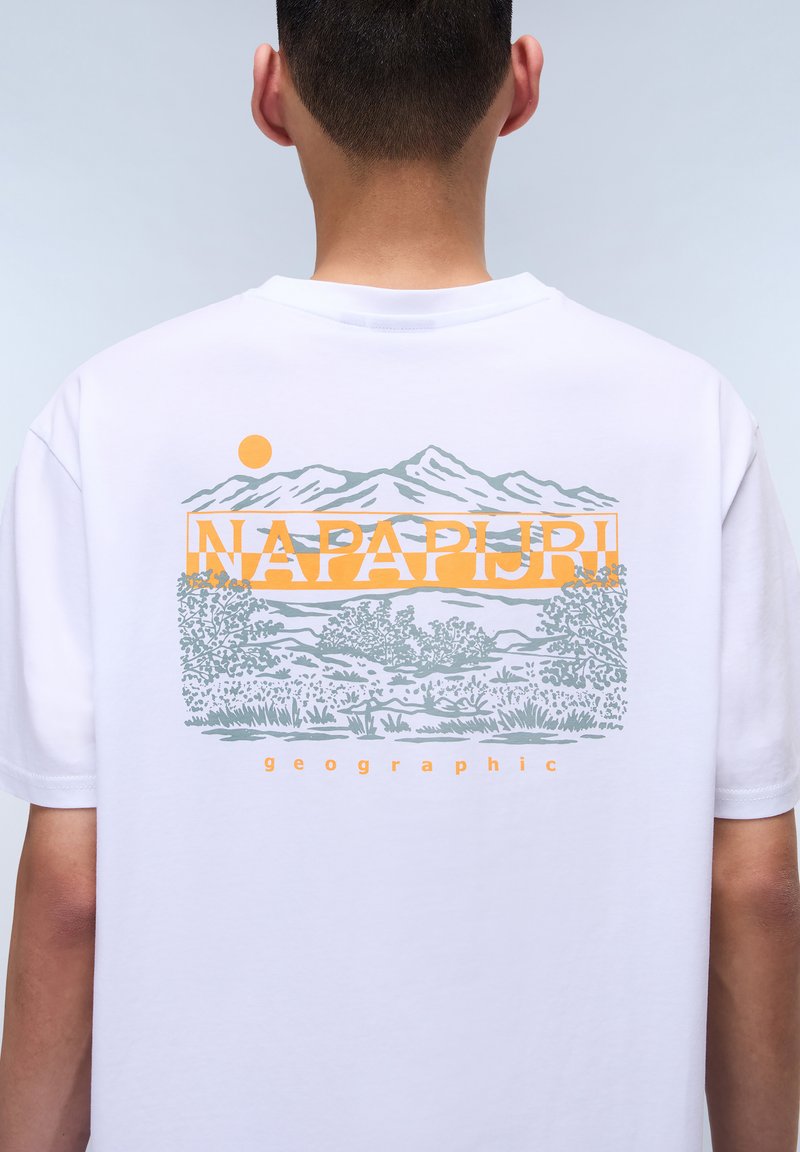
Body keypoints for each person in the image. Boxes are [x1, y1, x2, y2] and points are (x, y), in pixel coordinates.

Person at [0, 3, 798, 1150]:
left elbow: (70, 894)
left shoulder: (107, 418)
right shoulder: (688, 420)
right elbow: (753, 884)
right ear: (519, 84)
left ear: (270, 92)